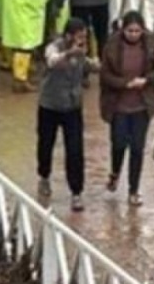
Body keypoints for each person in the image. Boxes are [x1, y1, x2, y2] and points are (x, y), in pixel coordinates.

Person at [100, 10, 154, 206]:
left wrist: (146, 80)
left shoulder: (151, 45)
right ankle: (115, 172)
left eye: (137, 31)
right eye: (130, 31)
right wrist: (125, 83)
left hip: (142, 105)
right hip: (118, 104)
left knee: (137, 148)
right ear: (123, 30)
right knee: (119, 143)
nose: (134, 34)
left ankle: (133, 190)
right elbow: (104, 76)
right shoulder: (111, 46)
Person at [37, 18, 99, 211]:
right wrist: (69, 53)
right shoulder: (53, 48)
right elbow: (52, 61)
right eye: (79, 37)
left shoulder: (82, 51)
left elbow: (90, 66)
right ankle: (44, 175)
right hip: (50, 105)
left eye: (84, 37)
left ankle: (76, 192)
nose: (82, 41)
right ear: (69, 35)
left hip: (73, 107)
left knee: (75, 149)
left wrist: (99, 65)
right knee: (46, 144)